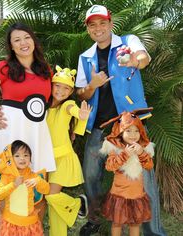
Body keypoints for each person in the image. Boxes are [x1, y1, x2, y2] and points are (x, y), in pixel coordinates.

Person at [75, 4, 166, 236]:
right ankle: (94, 220)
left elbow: (143, 57)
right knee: (91, 175)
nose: (98, 28)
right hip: (99, 126)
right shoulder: (85, 57)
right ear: (88, 29)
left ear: (110, 23)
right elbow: (80, 93)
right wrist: (92, 86)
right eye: (92, 25)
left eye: (102, 23)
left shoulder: (128, 41)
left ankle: (153, 231)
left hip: (130, 126)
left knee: (143, 176)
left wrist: (134, 61)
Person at [0, 22, 55, 175]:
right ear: (11, 46)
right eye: (17, 40)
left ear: (33, 40)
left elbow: (52, 101)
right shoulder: (4, 67)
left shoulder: (45, 69)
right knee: (7, 178)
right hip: (10, 129)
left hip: (36, 129)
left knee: (35, 177)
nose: (23, 43)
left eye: (27, 37)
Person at [45, 66, 91, 236]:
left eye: (66, 88)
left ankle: (78, 203)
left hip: (63, 158)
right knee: (51, 202)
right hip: (47, 159)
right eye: (57, 86)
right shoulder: (43, 105)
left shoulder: (68, 104)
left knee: (51, 196)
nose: (61, 91)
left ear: (71, 91)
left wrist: (82, 115)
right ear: (51, 85)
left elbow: (74, 111)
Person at [100, 110, 154, 236]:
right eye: (128, 131)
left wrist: (141, 153)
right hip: (119, 195)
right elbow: (109, 166)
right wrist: (124, 154)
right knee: (117, 223)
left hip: (136, 194)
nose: (133, 135)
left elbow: (149, 166)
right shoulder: (115, 148)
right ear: (120, 131)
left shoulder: (143, 148)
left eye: (136, 131)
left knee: (135, 223)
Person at [0, 140, 50, 236]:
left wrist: (38, 181)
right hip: (11, 224)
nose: (22, 158)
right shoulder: (6, 177)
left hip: (30, 224)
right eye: (17, 156)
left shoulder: (32, 175)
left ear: (30, 158)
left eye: (26, 155)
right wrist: (14, 184)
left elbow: (46, 189)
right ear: (10, 159)